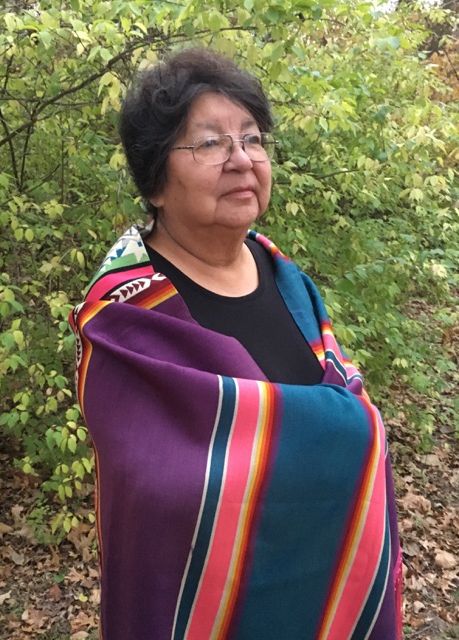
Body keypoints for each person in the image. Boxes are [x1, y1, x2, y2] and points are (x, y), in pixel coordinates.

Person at [70, 47, 402, 640]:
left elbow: (341, 402)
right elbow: (161, 489)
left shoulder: (287, 280)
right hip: (198, 607)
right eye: (209, 144)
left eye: (252, 138)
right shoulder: (127, 317)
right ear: (155, 183)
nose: (241, 159)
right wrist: (332, 438)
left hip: (322, 587)